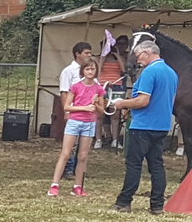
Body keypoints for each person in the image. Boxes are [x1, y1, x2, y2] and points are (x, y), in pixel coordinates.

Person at [110, 32, 178, 212]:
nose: (138, 60)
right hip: (162, 125)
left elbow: (142, 101)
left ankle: (124, 202)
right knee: (156, 165)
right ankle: (157, 205)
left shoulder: (149, 72)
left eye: (139, 56)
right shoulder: (171, 73)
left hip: (143, 126)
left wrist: (121, 103)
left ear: (148, 53)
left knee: (134, 164)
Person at [48, 56, 103, 198]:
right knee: (66, 153)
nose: (90, 72)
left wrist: (96, 104)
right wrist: (85, 108)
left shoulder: (98, 88)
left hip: (89, 123)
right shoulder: (76, 87)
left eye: (92, 69)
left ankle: (77, 186)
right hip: (74, 121)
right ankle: (54, 185)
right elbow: (67, 106)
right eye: (87, 69)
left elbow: (101, 110)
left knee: (83, 156)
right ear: (82, 71)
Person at [55, 41, 95, 178]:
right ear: (78, 54)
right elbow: (64, 92)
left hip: (87, 114)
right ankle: (67, 168)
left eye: (90, 53)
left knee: (83, 143)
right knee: (70, 144)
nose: (89, 55)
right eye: (86, 53)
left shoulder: (90, 70)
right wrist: (67, 111)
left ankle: (79, 169)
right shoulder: (68, 71)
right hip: (74, 111)